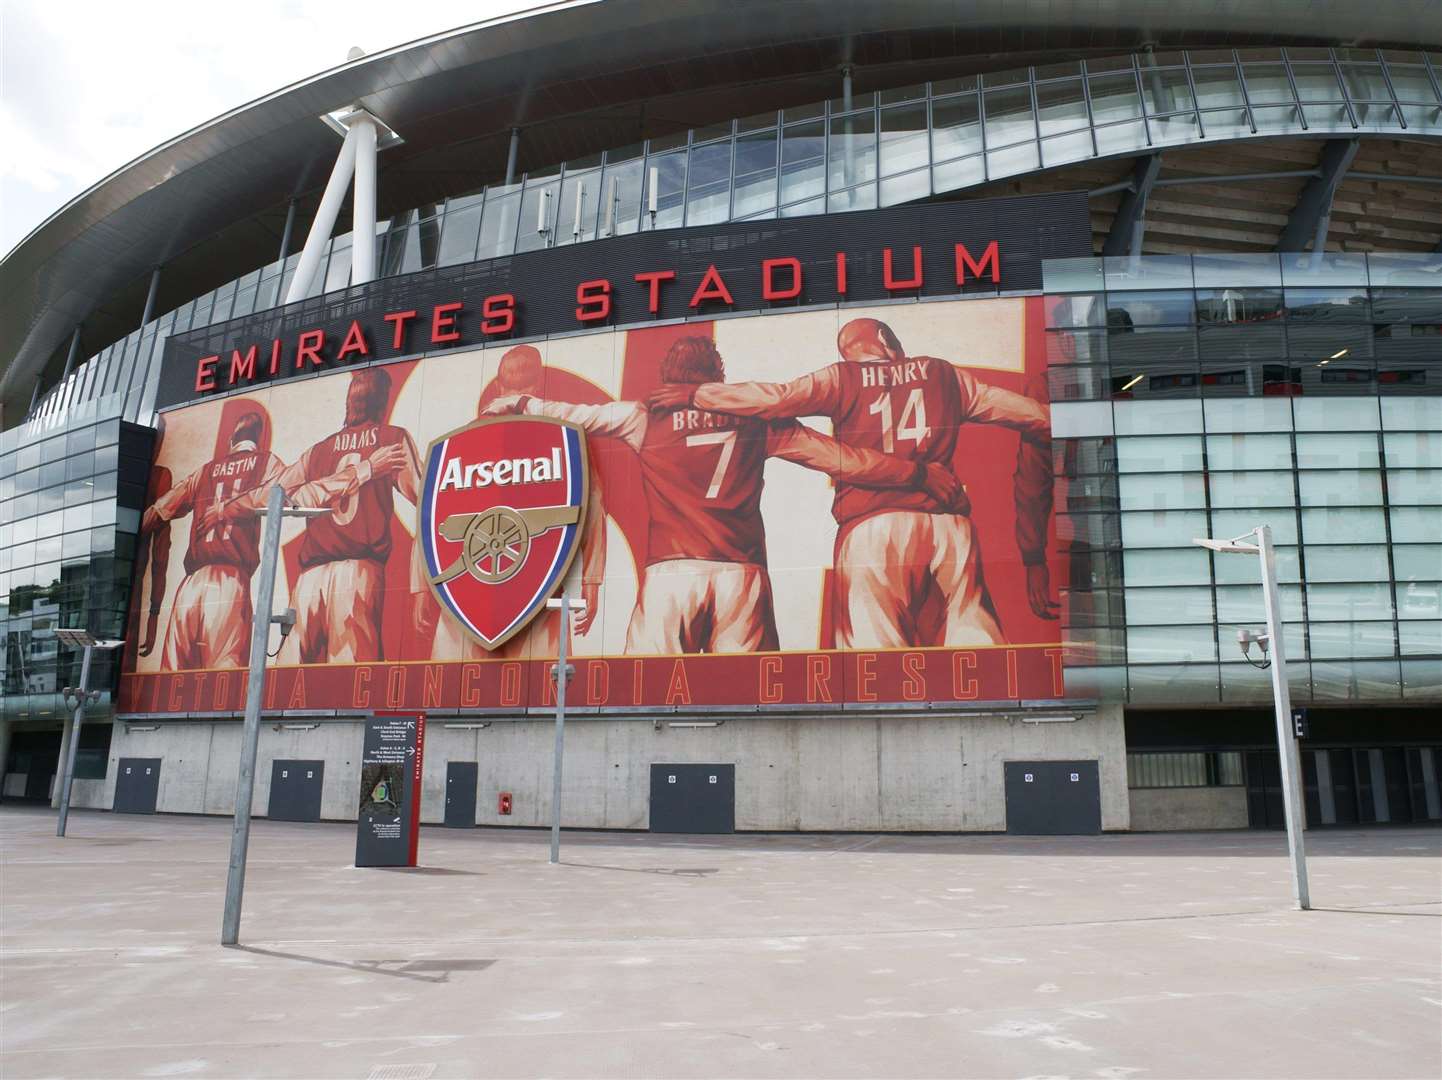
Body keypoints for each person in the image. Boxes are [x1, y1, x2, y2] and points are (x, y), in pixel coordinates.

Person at [485, 335, 964, 654]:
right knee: (747, 694)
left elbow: (576, 415)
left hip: (670, 572)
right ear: (716, 376)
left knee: (642, 693)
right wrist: (916, 473)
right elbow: (842, 459)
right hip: (742, 574)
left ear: (670, 378)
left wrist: (520, 402)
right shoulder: (757, 420)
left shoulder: (641, 416)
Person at [646, 317, 1054, 649]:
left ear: (856, 351)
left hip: (871, 526)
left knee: (873, 653)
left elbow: (776, 398)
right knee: (971, 630)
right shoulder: (944, 374)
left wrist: (697, 396)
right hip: (947, 524)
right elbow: (1035, 418)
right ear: (887, 342)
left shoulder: (842, 378)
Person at [209, 368, 433, 663]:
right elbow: (426, 501)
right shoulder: (391, 439)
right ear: (383, 402)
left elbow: (269, 493)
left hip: (309, 578)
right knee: (351, 681)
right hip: (357, 572)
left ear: (349, 404)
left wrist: (226, 508)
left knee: (286, 680)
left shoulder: (318, 451)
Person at [431, 344, 609, 661]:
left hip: (464, 599)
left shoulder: (457, 443)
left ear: (499, 386)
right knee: (545, 695)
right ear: (538, 385)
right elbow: (593, 507)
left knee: (443, 701)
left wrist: (421, 588)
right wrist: (592, 583)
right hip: (539, 591)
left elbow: (431, 513)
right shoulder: (562, 438)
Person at [140, 409, 277, 670]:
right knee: (224, 677)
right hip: (230, 581)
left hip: (190, 585)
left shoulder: (205, 471)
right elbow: (288, 487)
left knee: (174, 677)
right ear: (258, 439)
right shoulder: (266, 462)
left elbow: (159, 510)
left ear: (231, 441)